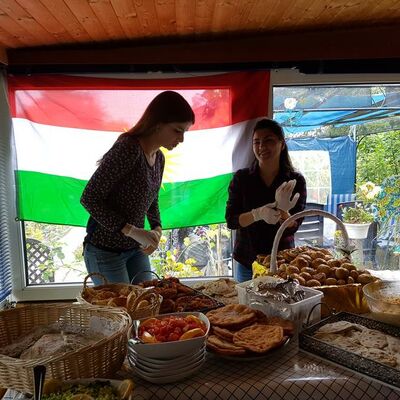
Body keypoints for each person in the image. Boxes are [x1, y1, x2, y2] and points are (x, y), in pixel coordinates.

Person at [80, 91, 195, 285]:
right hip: (105, 250)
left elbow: (152, 198)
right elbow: (89, 198)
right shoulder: (129, 148)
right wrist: (131, 230)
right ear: (158, 123)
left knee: (145, 306)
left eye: (185, 132)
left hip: (135, 249)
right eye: (177, 130)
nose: (181, 139)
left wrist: (156, 228)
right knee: (120, 312)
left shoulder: (159, 157)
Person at [225, 118, 307, 282]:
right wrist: (257, 214)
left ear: (281, 144)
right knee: (247, 307)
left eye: (268, 140)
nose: (262, 147)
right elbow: (231, 220)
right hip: (247, 260)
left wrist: (284, 212)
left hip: (282, 262)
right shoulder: (241, 179)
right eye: (257, 142)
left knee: (281, 307)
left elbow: (293, 227)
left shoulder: (295, 181)